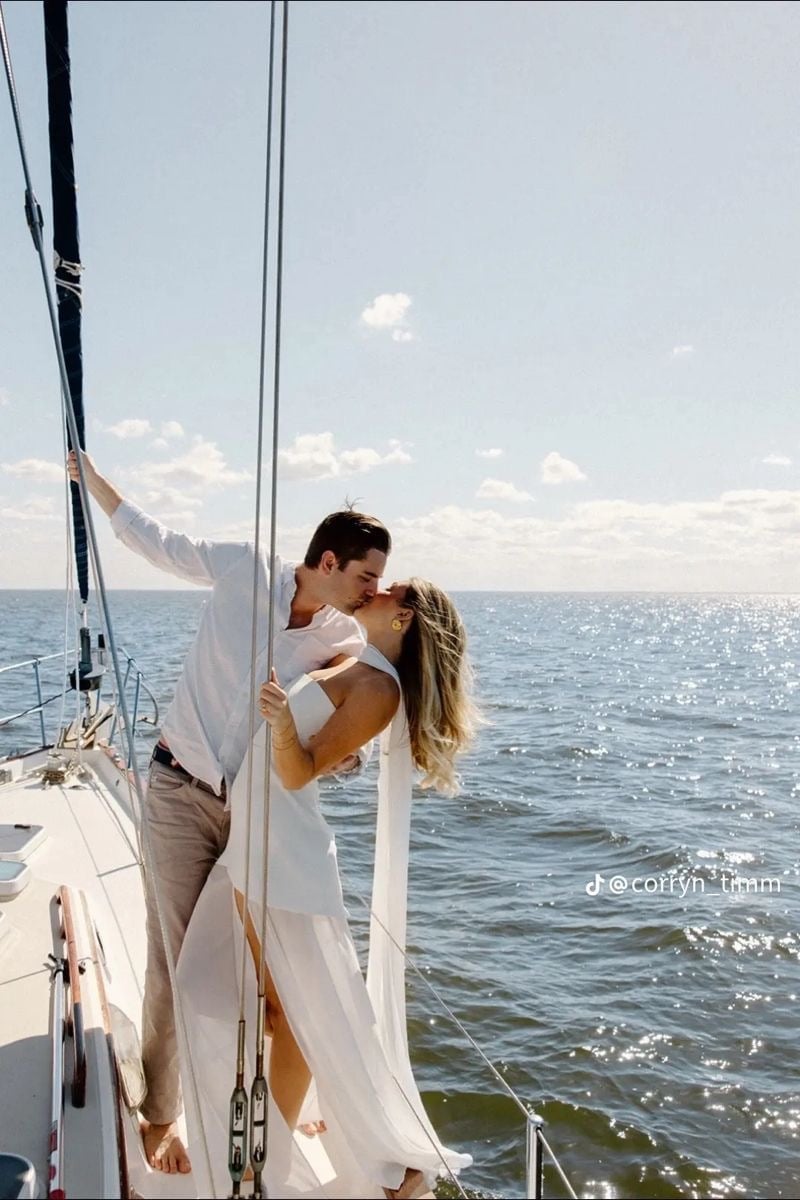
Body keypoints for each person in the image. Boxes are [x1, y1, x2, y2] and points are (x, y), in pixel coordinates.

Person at [67, 449, 391, 1174]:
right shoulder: (247, 568)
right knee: (175, 959)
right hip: (181, 791)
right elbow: (157, 541)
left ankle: (272, 1107)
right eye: (366, 575)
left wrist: (345, 758)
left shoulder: (342, 640)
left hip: (257, 815)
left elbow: (339, 737)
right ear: (329, 560)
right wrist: (94, 483)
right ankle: (161, 1113)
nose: (373, 591)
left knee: (267, 964)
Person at [176, 577, 479, 1199]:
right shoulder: (348, 660)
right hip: (255, 841)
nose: (373, 589)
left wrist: (285, 722)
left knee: (295, 1014)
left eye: (389, 589)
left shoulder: (379, 690)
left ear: (405, 619)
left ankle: (274, 1159)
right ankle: (290, 1137)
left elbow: (296, 772)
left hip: (289, 855)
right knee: (269, 1005)